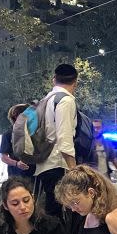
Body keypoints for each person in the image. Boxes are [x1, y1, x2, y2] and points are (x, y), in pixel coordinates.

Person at [34, 63, 79, 220]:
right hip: (57, 164)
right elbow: (64, 137)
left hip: (44, 162)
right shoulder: (65, 101)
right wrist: (74, 170)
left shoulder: (46, 99)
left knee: (50, 210)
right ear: (76, 82)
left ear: (54, 80)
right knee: (59, 213)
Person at [0, 103, 35, 179]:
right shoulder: (8, 134)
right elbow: (4, 157)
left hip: (34, 175)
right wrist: (16, 163)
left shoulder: (33, 132)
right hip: (17, 176)